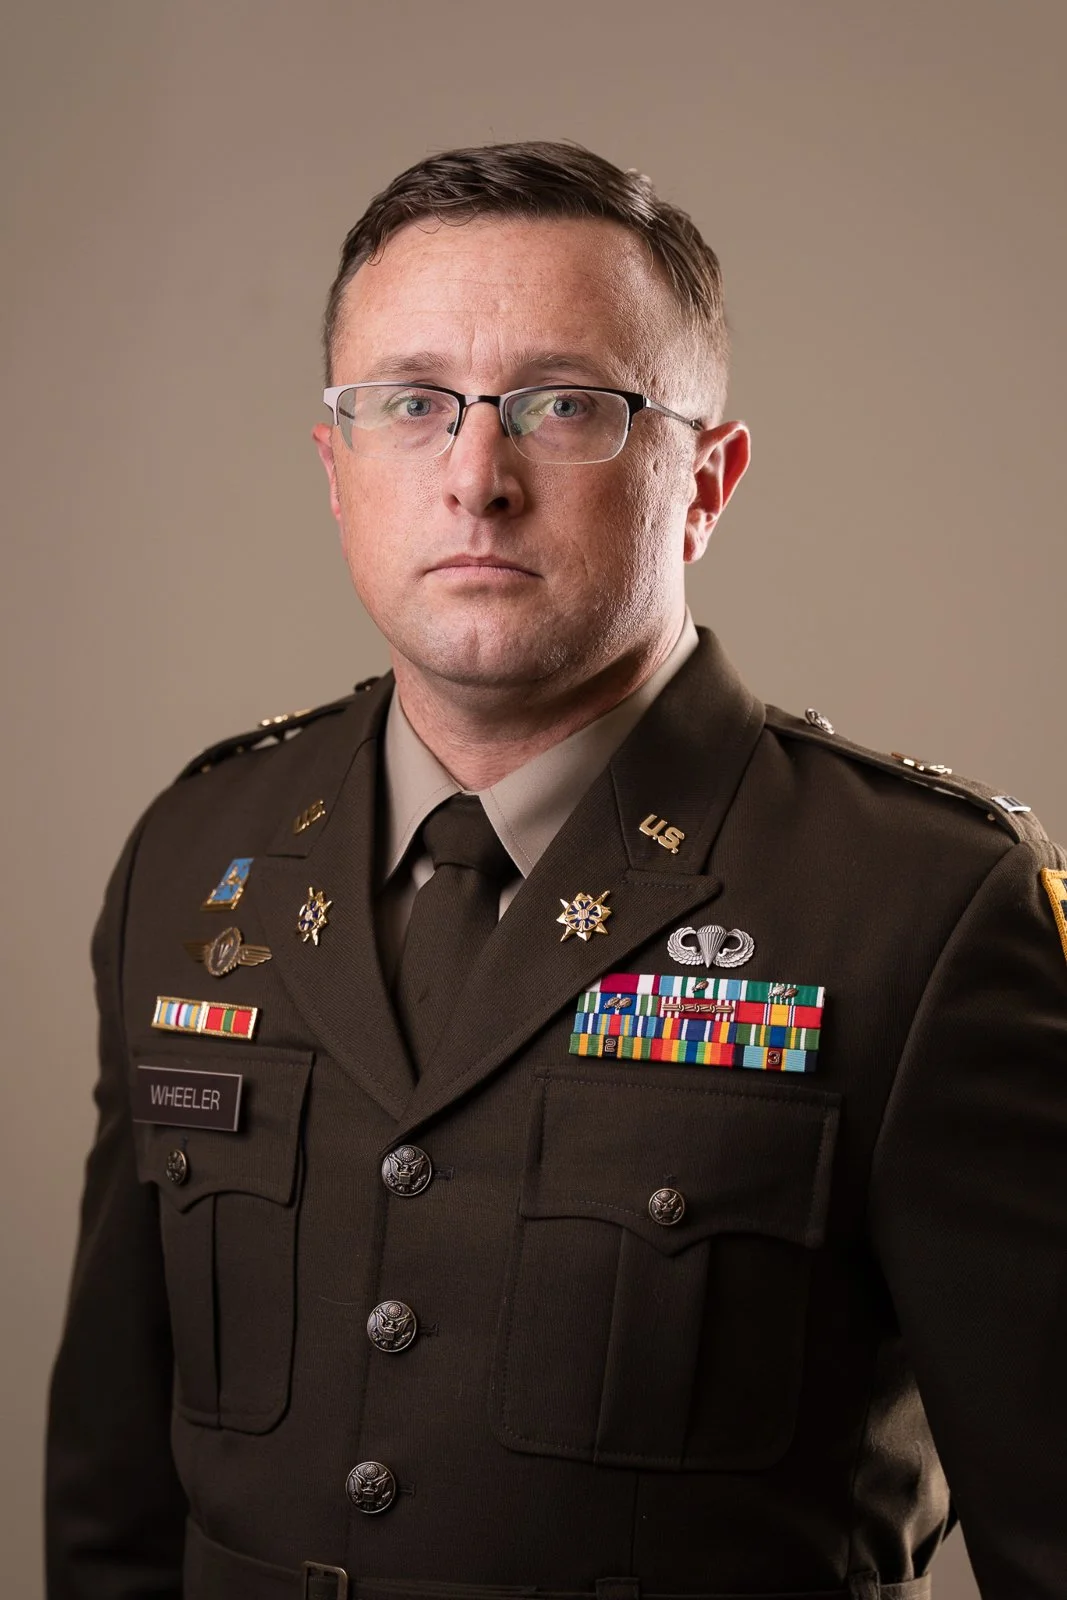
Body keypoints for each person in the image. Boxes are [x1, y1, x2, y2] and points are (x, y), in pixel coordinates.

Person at [45, 141, 1067, 1600]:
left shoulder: (922, 906)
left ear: (704, 480)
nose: (477, 478)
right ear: (336, 470)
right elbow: (112, 1510)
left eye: (565, 405)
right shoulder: (197, 854)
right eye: (412, 404)